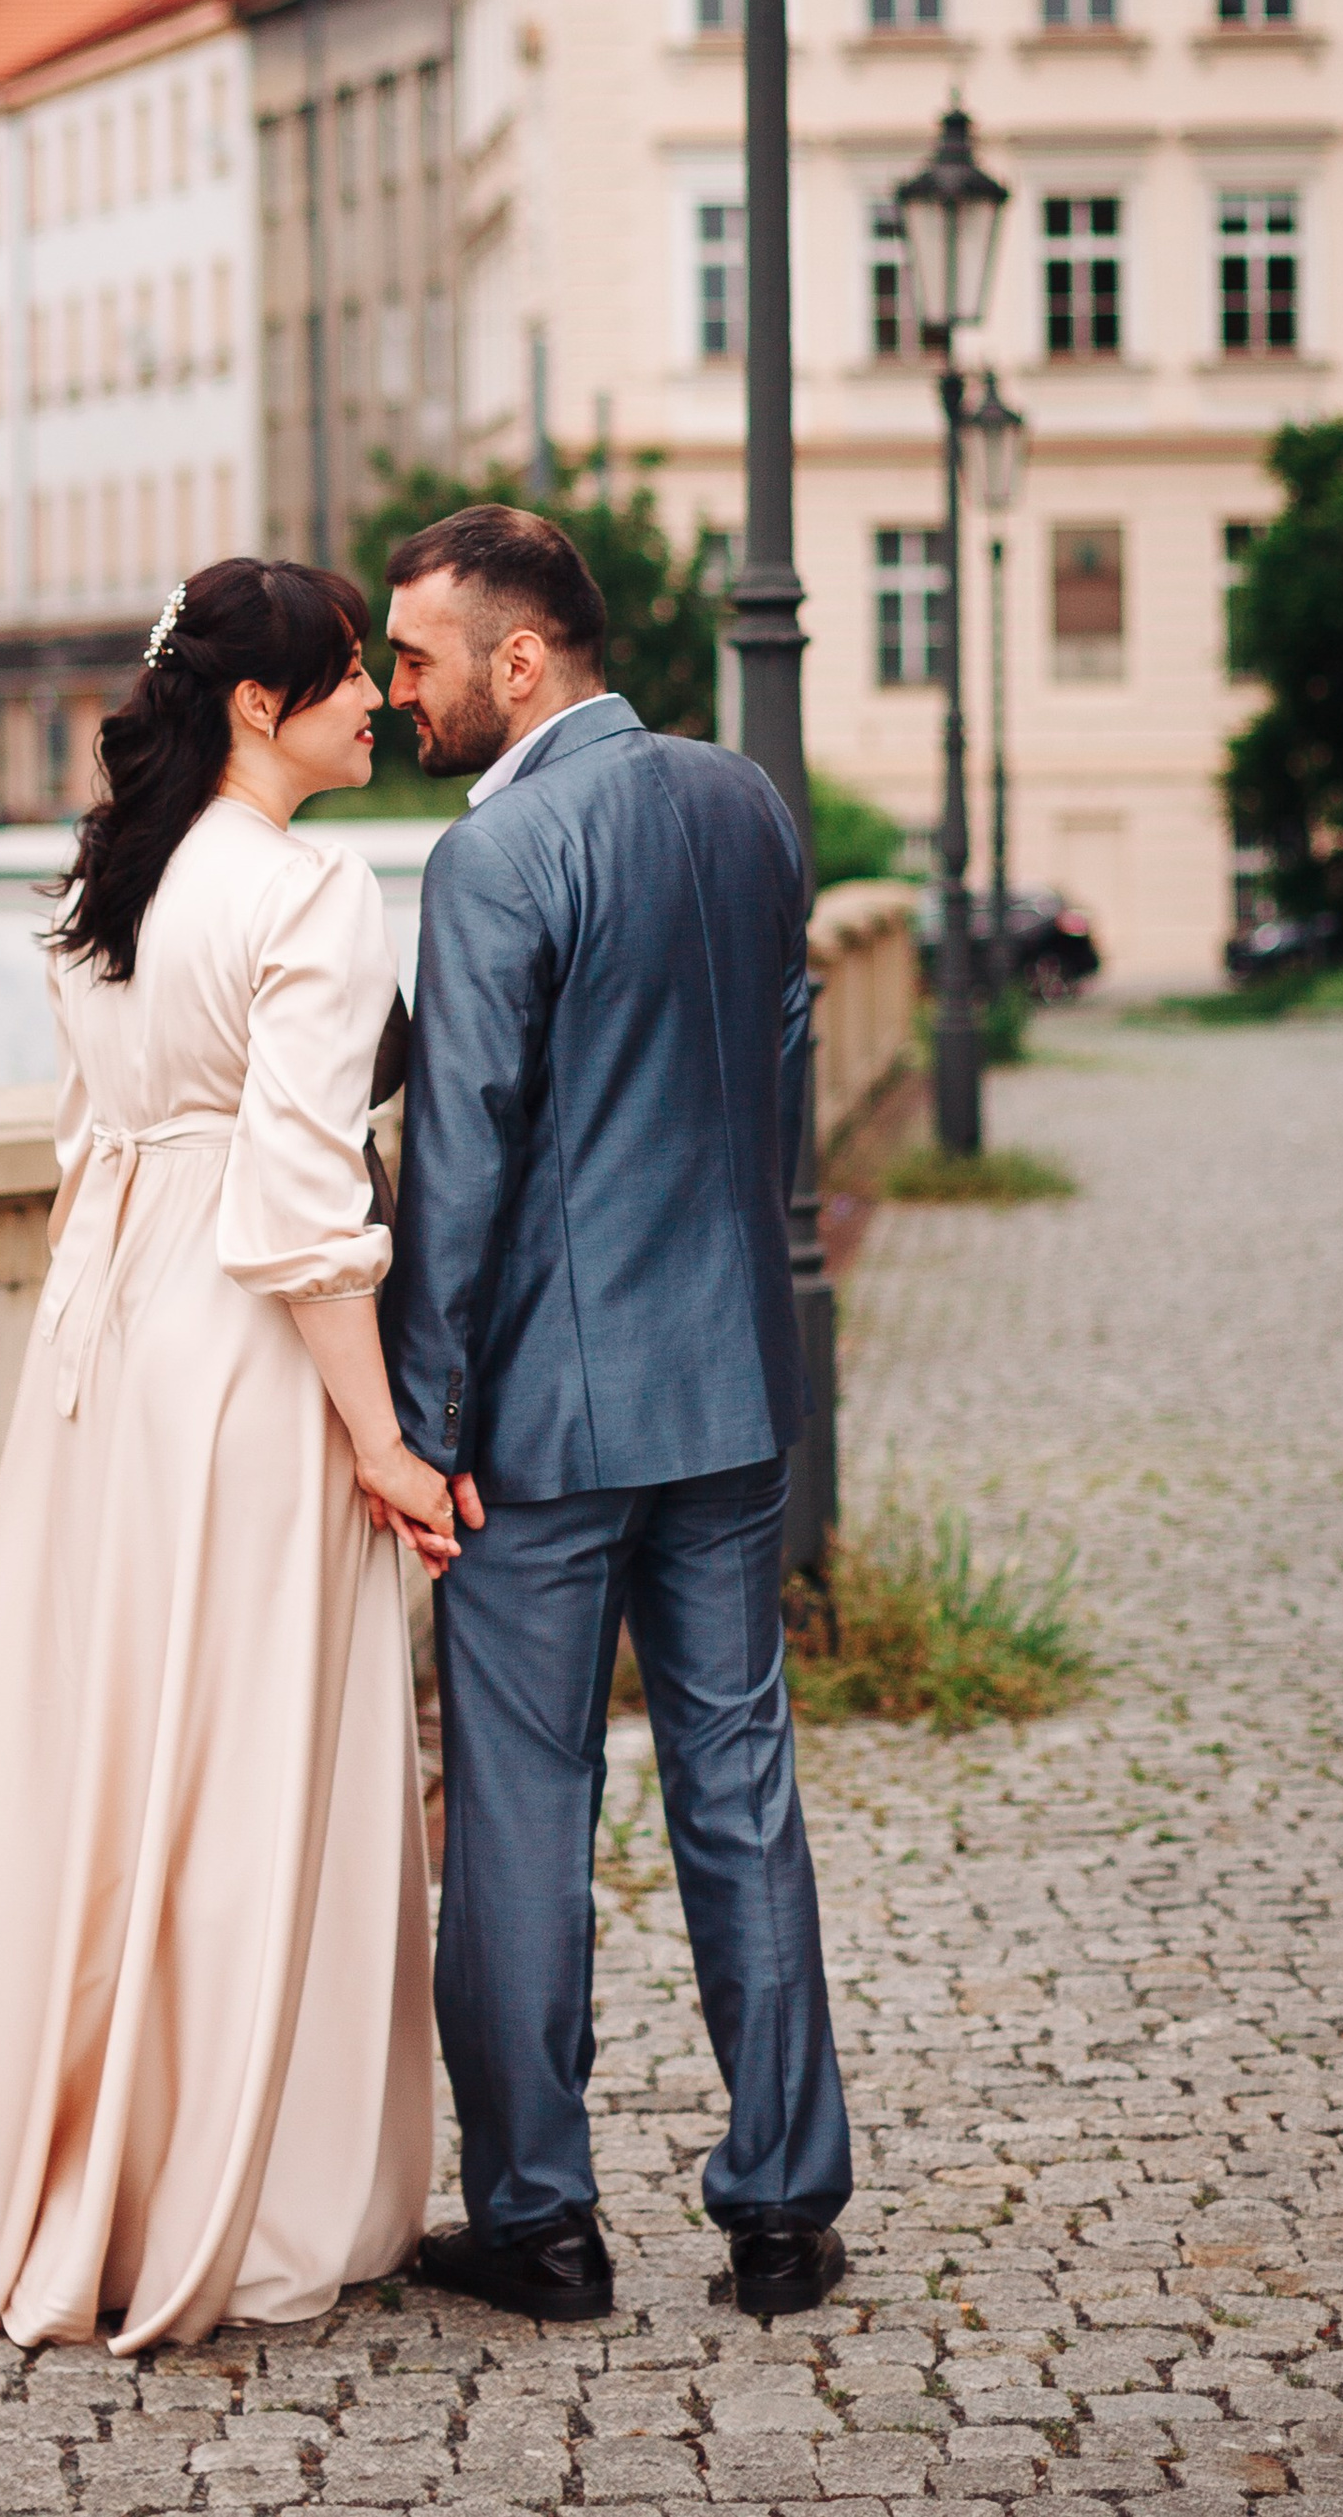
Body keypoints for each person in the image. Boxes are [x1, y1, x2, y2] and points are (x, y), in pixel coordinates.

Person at [0, 558, 455, 2351]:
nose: (376, 703)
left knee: (99, 1747)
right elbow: (308, 1211)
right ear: (261, 707)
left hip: (112, 1342)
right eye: (346, 677)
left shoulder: (111, 888)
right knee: (247, 1753)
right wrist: (387, 1445)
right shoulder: (314, 895)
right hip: (246, 1352)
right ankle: (228, 2186)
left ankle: (55, 2155)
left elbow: (93, 1150)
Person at [380, 503, 852, 2327]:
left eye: (419, 660)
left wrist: (419, 1430)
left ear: (522, 659)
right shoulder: (744, 804)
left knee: (522, 1810)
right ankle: (787, 2210)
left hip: (545, 1432)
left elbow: (462, 1177)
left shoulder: (491, 861)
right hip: (729, 1388)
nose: (399, 692)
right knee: (741, 1787)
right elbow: (780, 1070)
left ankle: (539, 2222)